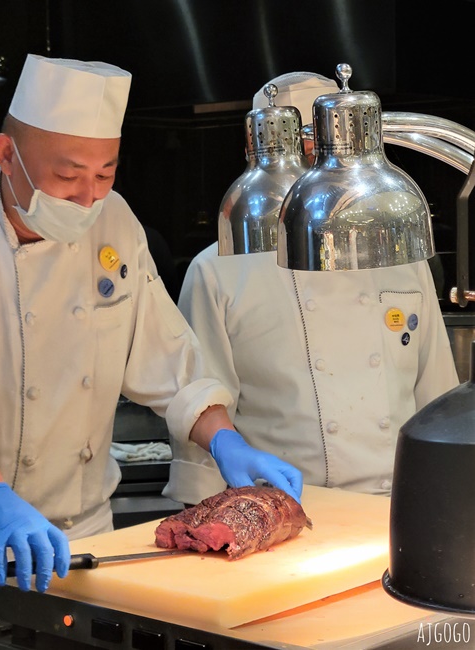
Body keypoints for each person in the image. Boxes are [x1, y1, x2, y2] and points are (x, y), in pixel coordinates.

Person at [0, 54, 303, 621]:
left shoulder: (115, 222)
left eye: (105, 173)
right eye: (67, 176)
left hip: (87, 542)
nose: (87, 198)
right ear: (6, 154)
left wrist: (225, 439)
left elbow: (165, 356)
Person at [162, 71, 460, 507]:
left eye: (322, 155)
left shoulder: (397, 252)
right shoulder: (219, 269)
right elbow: (204, 405)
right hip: (282, 510)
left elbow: (437, 397)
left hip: (397, 504)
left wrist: (448, 496)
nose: (311, 176)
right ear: (257, 153)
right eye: (294, 155)